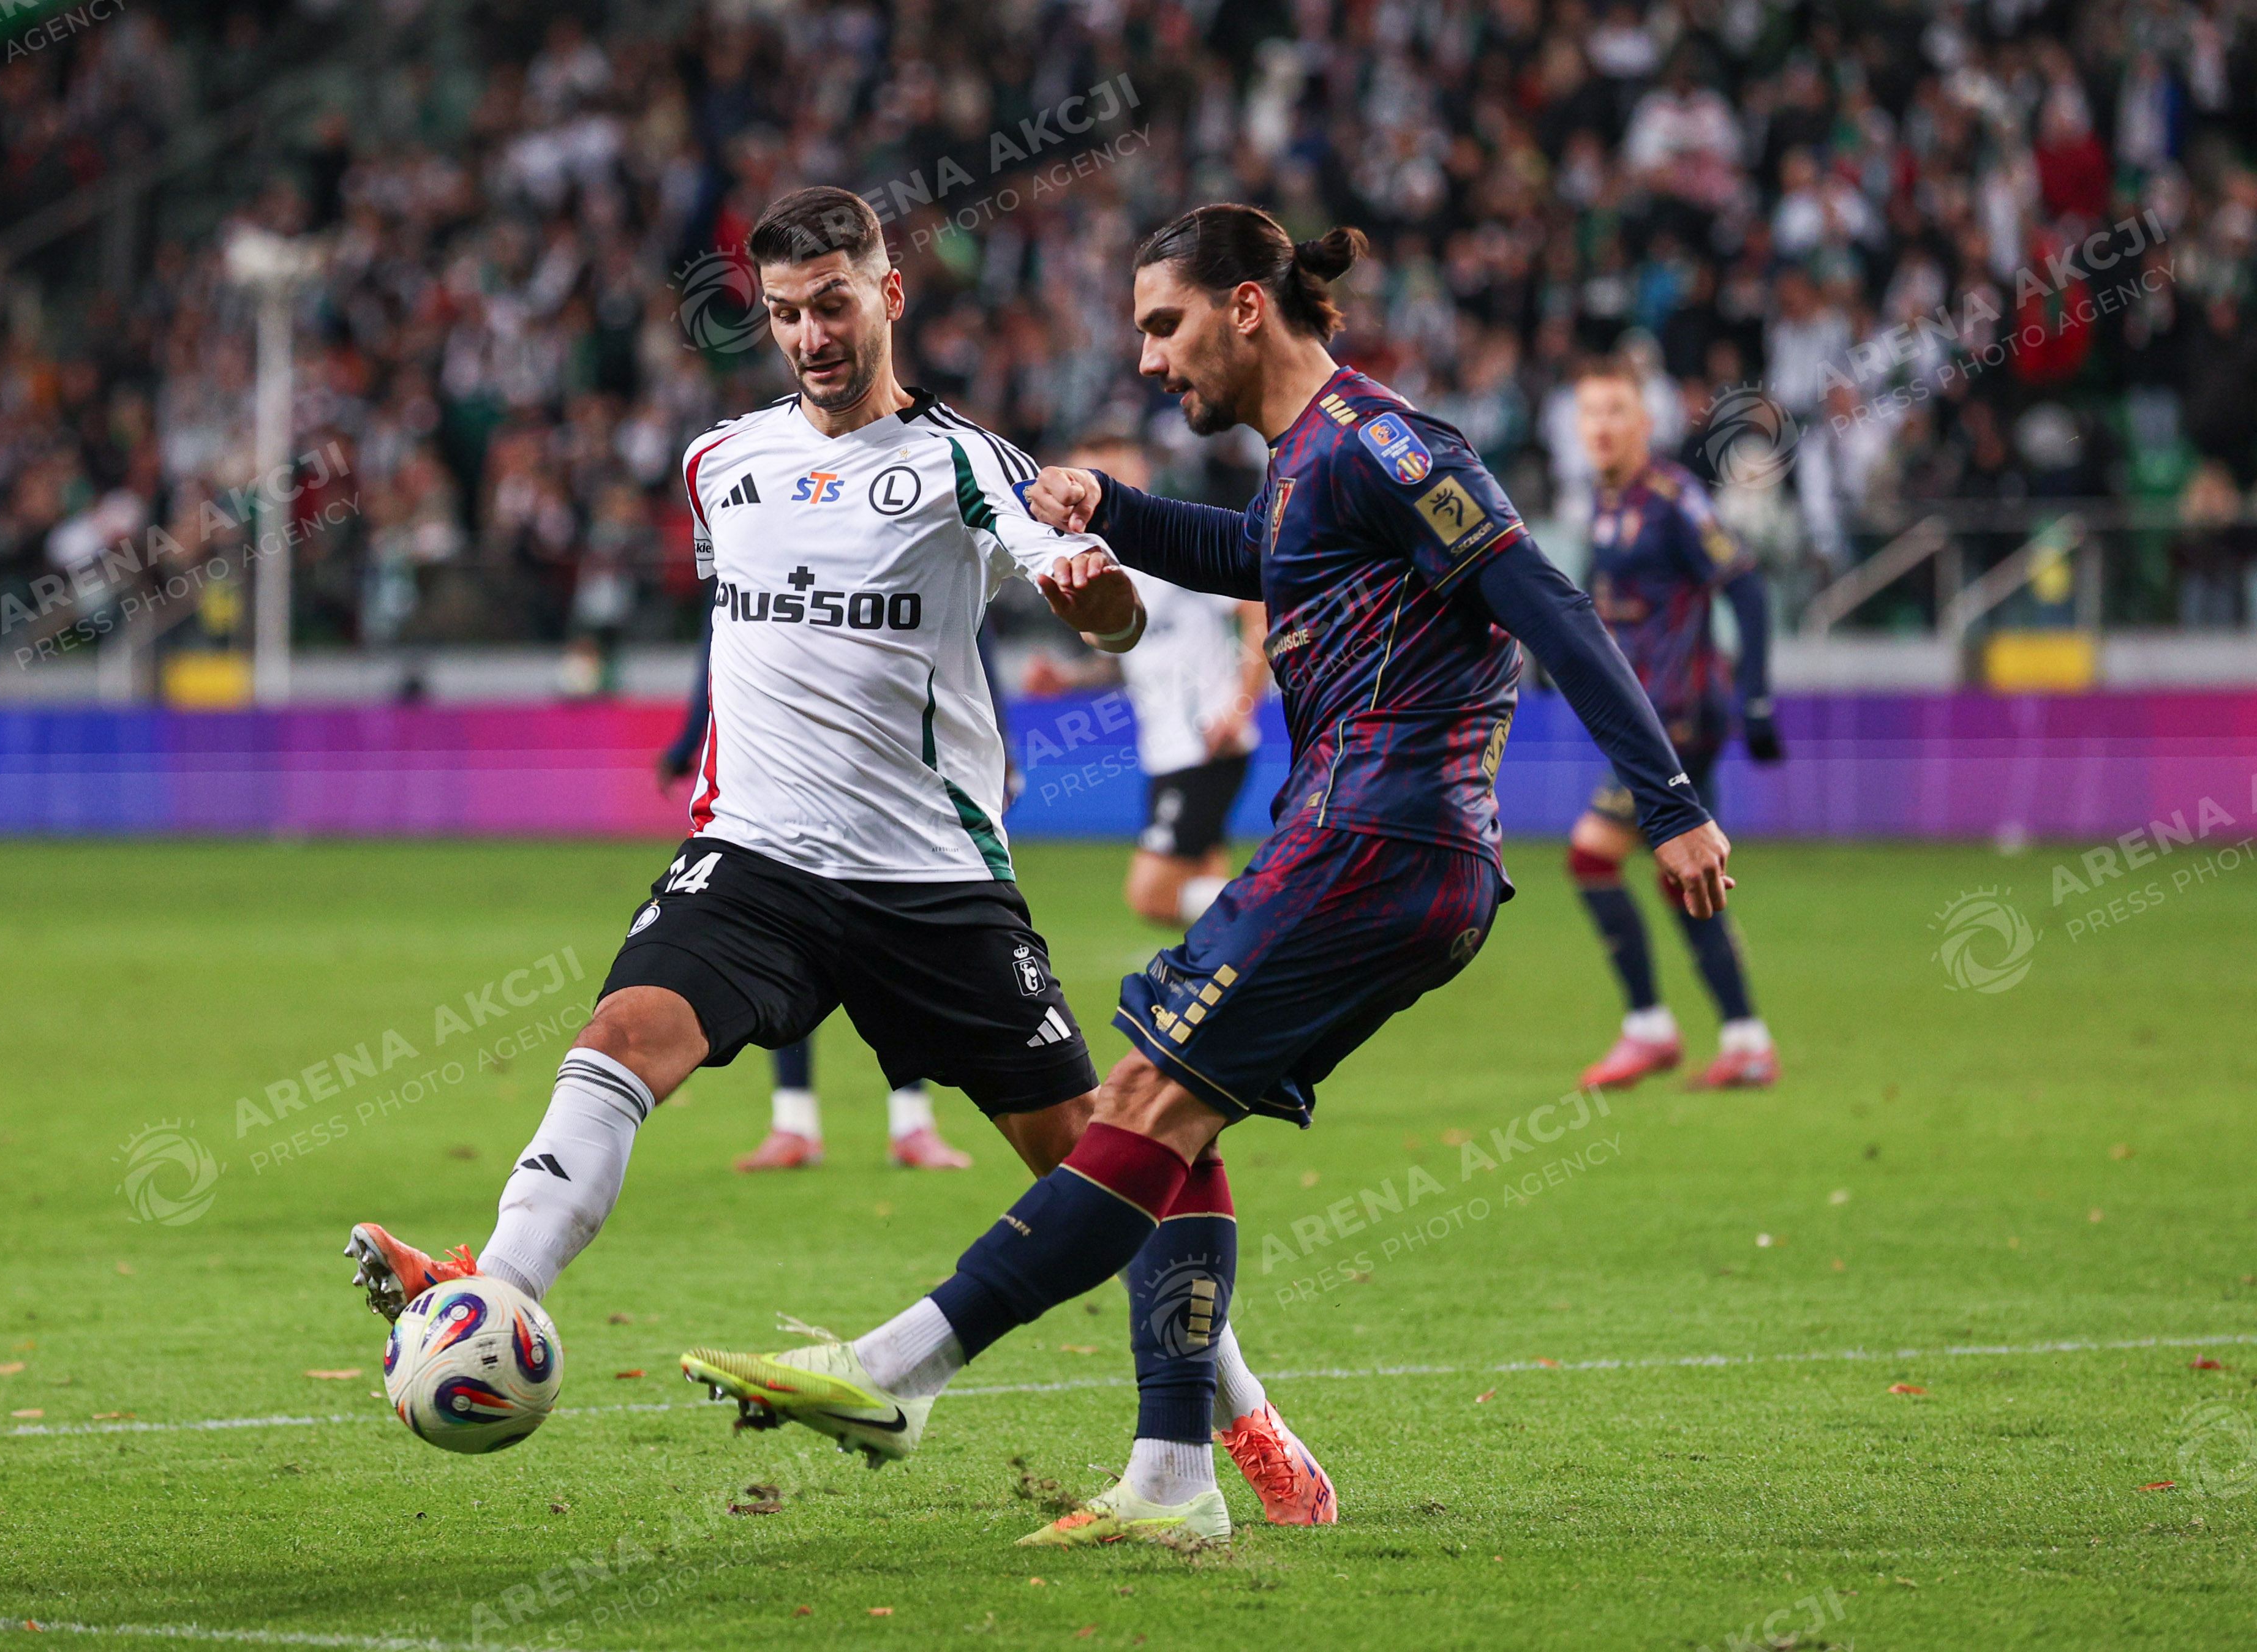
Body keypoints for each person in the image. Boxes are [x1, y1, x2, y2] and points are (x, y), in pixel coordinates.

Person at [680, 203, 1733, 1549]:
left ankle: (900, 1368)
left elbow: (1545, 599)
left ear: (1245, 307)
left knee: (1139, 1099)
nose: (1147, 359)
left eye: (1164, 325)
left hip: (1378, 834)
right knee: (1169, 1118)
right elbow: (1252, 557)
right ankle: (1174, 1472)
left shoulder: (1383, 443)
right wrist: (1112, 508)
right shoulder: (1305, 464)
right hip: (1376, 842)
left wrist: (1669, 800)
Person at [344, 186, 1336, 1526]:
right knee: (622, 1037)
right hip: (753, 858)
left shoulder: (965, 460)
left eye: (832, 303)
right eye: (784, 313)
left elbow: (1088, 596)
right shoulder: (719, 463)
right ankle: (496, 1292)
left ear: (888, 295)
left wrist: (1099, 604)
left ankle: (1244, 1411)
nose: (810, 334)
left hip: (933, 885)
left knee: (1100, 1157)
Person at [657, 623, 972, 1169]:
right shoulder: (745, 565)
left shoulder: (908, 570)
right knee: (787, 947)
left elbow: (966, 637)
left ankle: (911, 1122)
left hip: (884, 775)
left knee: (896, 949)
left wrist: (995, 744)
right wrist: (690, 741)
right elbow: (719, 642)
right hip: (784, 784)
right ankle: (795, 1124)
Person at [1566, 356, 1783, 1091]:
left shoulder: (1672, 498)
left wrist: (1757, 697)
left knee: (1592, 855)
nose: (1601, 426)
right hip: (1647, 717)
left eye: (1615, 411)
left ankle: (1650, 1028)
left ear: (1645, 422)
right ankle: (1747, 1039)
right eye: (1590, 412)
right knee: (1687, 876)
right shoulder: (1604, 503)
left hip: (1680, 717)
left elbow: (1746, 587)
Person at [1022, 434, 1270, 929]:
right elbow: (1125, 658)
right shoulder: (1104, 564)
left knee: (1152, 894)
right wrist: (1067, 679)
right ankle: (1244, 964)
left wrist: (1240, 707)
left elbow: (1256, 612)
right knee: (1203, 890)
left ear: (1138, 477)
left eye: (1108, 475)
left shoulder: (1172, 545)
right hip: (1167, 748)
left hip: (1206, 742)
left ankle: (1296, 920)